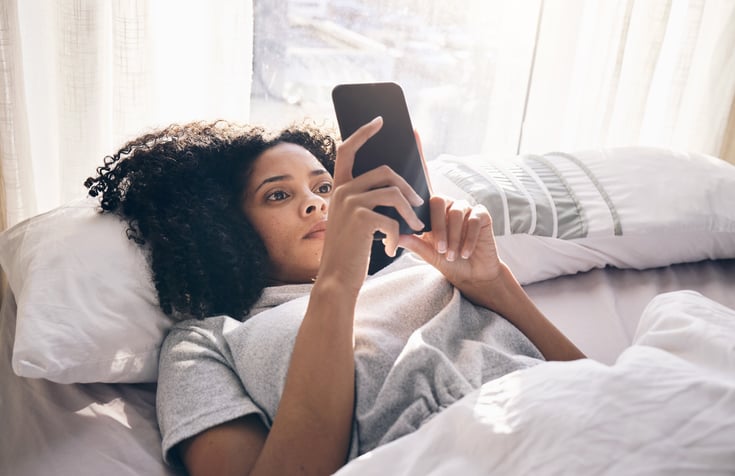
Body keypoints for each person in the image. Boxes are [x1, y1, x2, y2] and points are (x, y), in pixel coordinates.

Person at [85, 117, 585, 476]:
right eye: (278, 195)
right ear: (227, 229)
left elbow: (588, 380)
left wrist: (489, 282)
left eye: (325, 186)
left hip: (569, 422)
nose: (316, 203)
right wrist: (336, 285)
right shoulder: (206, 341)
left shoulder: (426, 268)